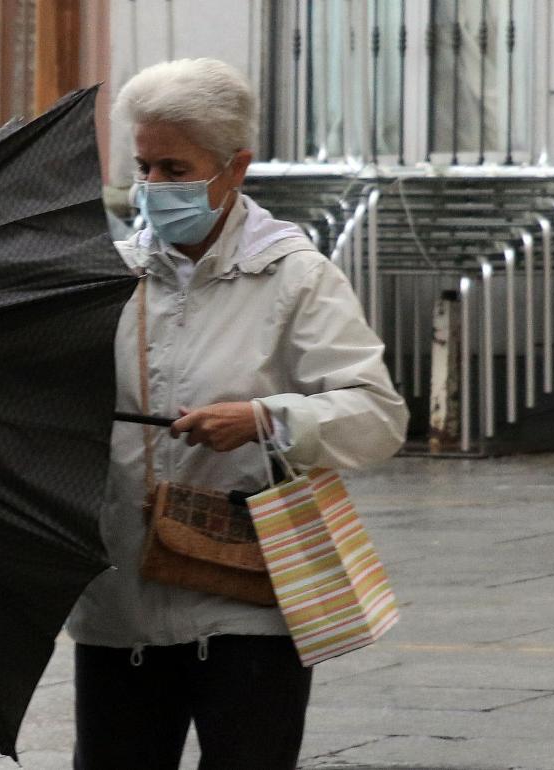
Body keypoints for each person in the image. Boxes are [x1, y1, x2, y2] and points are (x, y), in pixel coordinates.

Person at [66, 58, 409, 770]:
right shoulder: (108, 275)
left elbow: (377, 415)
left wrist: (265, 418)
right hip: (121, 597)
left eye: (175, 168)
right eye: (143, 167)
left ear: (235, 168)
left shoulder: (295, 277)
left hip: (249, 591)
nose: (153, 187)